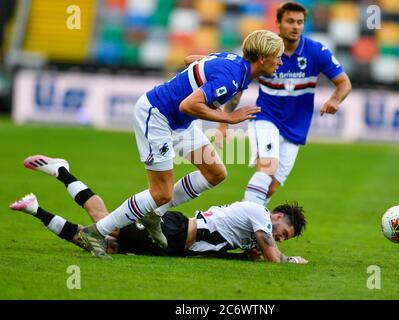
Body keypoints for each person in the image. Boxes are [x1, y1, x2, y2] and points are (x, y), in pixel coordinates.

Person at [51, 29, 284, 259]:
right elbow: (187, 105)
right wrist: (228, 118)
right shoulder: (232, 76)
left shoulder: (234, 64)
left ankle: (154, 214)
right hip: (158, 116)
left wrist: (198, 91)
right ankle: (96, 233)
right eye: (278, 57)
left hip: (181, 123)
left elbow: (191, 61)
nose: (280, 62)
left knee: (215, 172)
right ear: (262, 58)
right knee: (160, 192)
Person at [10, 155, 308, 264]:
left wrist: (245, 255)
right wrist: (290, 258)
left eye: (285, 239)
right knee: (103, 224)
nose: (281, 238)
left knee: (109, 245)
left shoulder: (257, 229)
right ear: (277, 217)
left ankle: (36, 208)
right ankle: (61, 172)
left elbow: (235, 245)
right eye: (284, 233)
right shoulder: (258, 213)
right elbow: (274, 257)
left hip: (177, 248)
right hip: (176, 232)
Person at [214, 2, 352, 205]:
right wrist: (223, 123)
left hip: (296, 127)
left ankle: (239, 220)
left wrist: (334, 99)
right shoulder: (265, 51)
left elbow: (344, 83)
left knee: (270, 188)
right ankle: (238, 222)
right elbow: (239, 87)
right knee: (266, 169)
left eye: (300, 22)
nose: (295, 26)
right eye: (290, 21)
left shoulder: (315, 51)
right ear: (278, 23)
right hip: (266, 117)